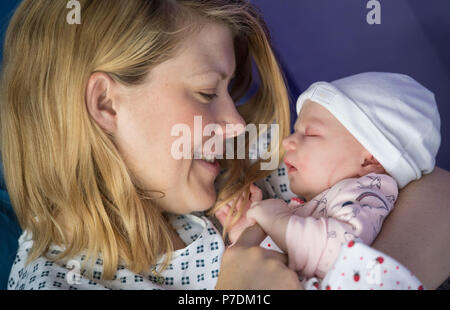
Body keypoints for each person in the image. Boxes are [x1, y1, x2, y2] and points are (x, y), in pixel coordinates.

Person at [1, 0, 448, 290]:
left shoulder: (241, 163)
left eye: (231, 91)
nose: (236, 125)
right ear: (105, 103)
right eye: (205, 93)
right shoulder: (57, 282)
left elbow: (438, 191)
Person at [217, 72, 440, 289]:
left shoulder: (368, 192)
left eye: (310, 133)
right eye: (296, 132)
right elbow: (274, 265)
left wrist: (274, 220)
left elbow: (339, 249)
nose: (287, 142)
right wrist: (248, 229)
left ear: (370, 160)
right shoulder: (328, 200)